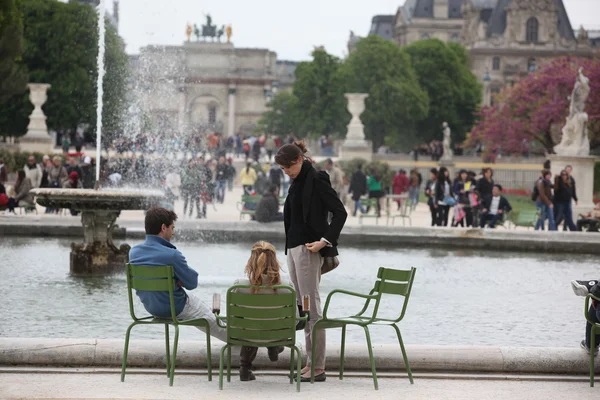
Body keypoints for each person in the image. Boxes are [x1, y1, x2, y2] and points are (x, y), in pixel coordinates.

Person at [275, 141, 347, 382]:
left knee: (311, 308)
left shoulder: (316, 179)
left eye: (287, 168)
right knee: (302, 309)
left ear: (298, 161)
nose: (285, 172)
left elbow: (340, 212)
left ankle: (317, 366)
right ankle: (310, 363)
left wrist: (324, 241)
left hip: (308, 248)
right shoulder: (297, 181)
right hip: (294, 248)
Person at [128, 208, 227, 342]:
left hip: (152, 308)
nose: (173, 233)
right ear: (164, 228)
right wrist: (177, 280)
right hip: (175, 307)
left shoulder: (133, 253)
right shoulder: (172, 255)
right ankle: (244, 340)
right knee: (215, 324)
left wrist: (172, 280)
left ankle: (210, 312)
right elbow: (192, 283)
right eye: (172, 228)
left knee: (204, 308)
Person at [232, 241, 292, 381]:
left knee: (250, 325)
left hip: (247, 335)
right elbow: (294, 319)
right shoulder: (287, 287)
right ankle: (274, 346)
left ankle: (244, 368)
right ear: (275, 261)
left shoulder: (239, 285)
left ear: (251, 261)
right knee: (266, 324)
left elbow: (234, 317)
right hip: (277, 334)